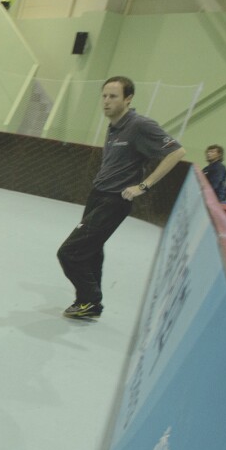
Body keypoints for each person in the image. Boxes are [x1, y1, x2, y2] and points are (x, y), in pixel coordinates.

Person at [57, 76, 186, 320]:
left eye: (113, 96)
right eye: (104, 96)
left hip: (114, 201)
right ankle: (89, 304)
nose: (106, 101)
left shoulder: (139, 125)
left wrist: (144, 185)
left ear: (128, 99)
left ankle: (90, 299)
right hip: (99, 195)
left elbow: (177, 152)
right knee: (91, 250)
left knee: (69, 252)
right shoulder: (114, 125)